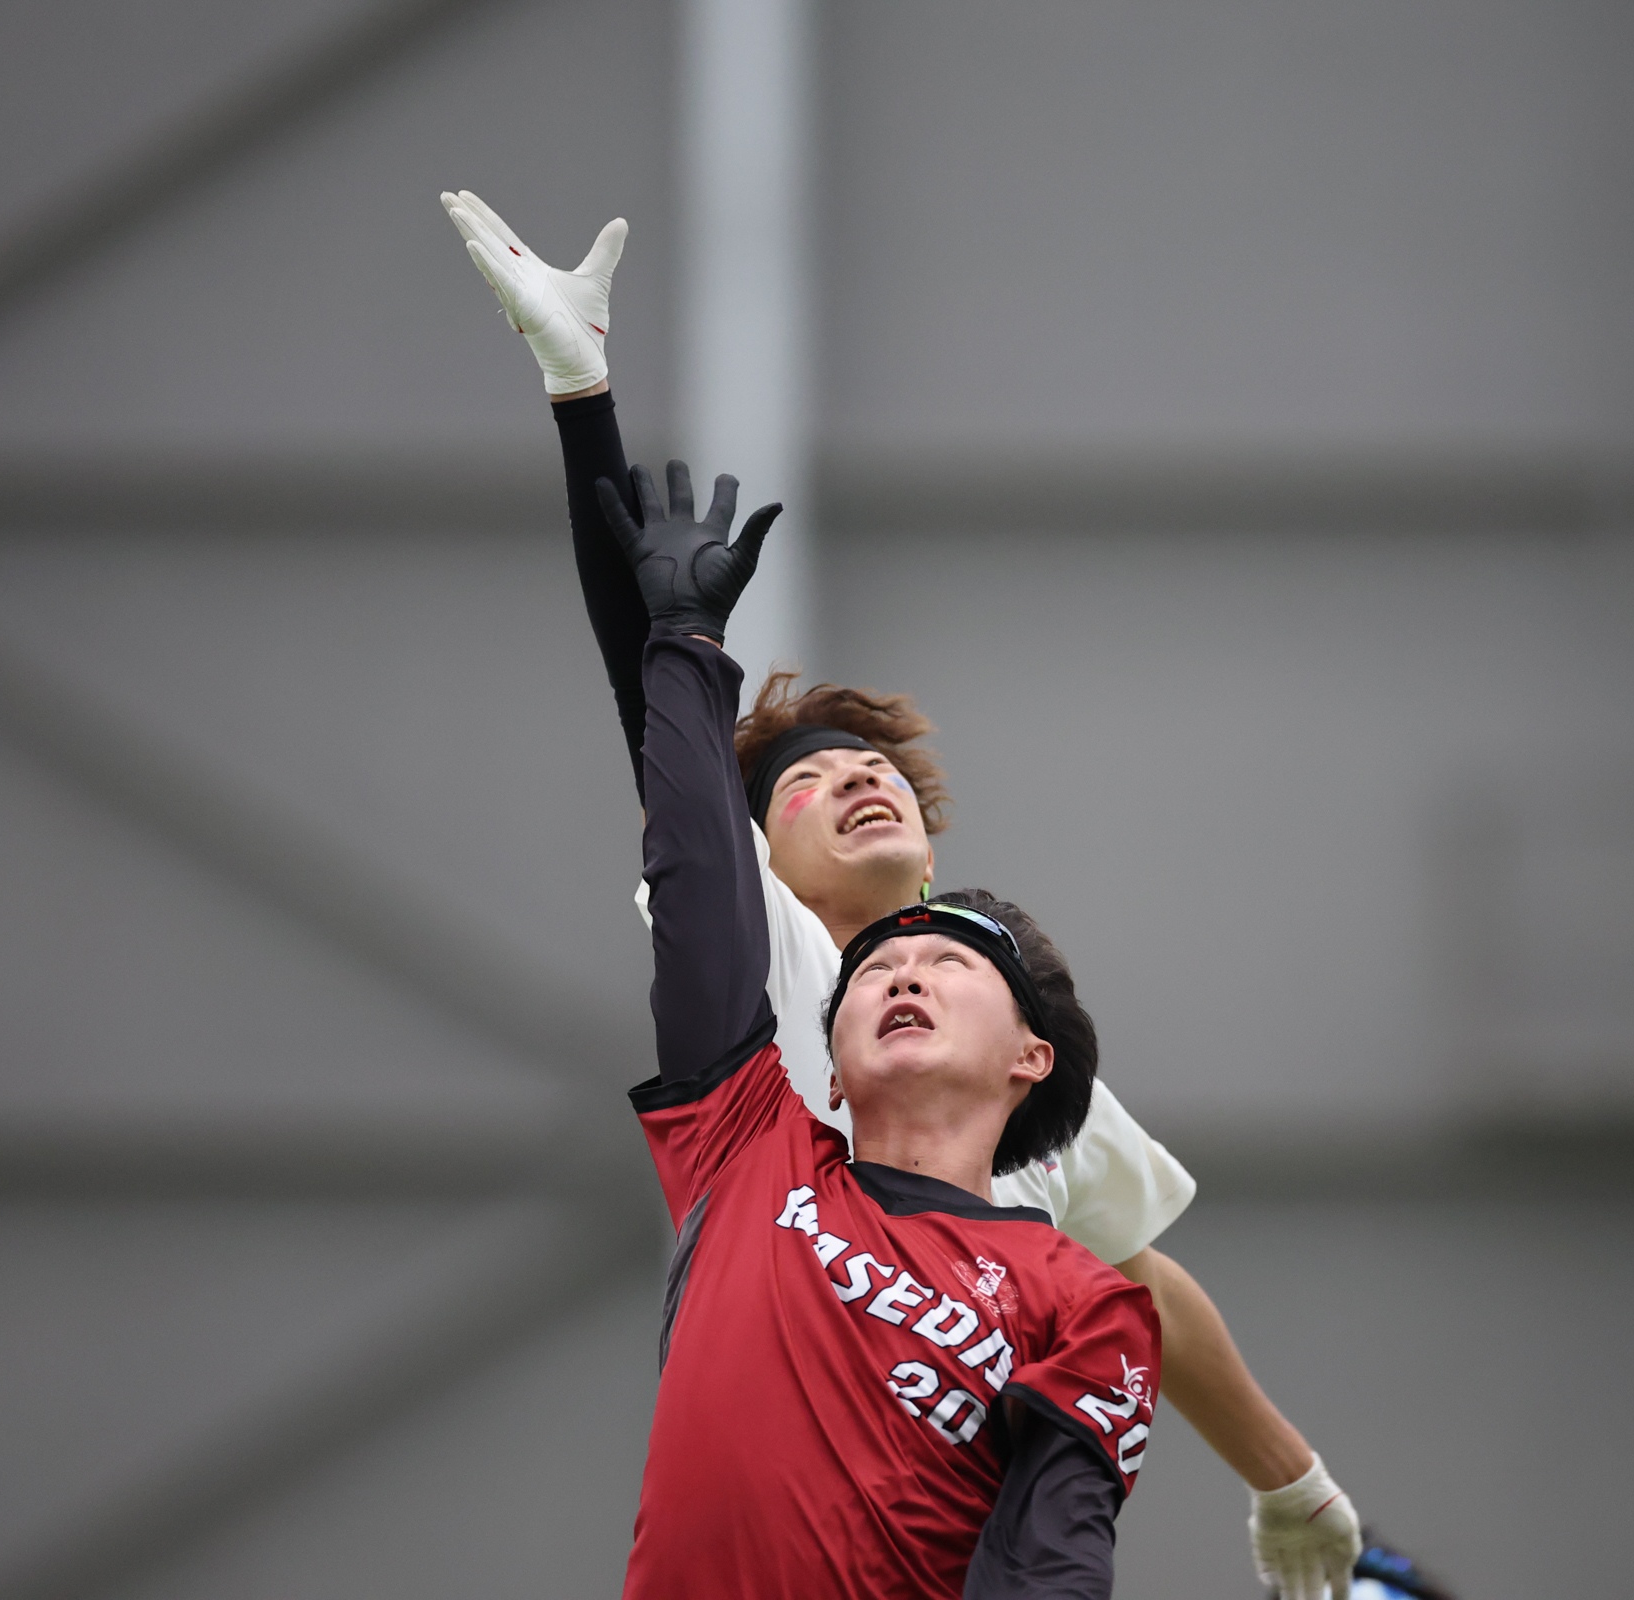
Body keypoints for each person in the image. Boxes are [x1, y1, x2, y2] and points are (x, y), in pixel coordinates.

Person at [442, 190, 1365, 1600]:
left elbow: (1137, 1289)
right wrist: (584, 400)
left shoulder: (1021, 1069)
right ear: (758, 860)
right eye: (807, 784)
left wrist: (1293, 1481)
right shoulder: (772, 1018)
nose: (858, 779)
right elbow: (661, 720)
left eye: (878, 770)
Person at [609, 453, 1159, 1596]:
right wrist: (683, 640)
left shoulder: (1084, 1301)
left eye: (947, 962)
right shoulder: (750, 1145)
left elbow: (1053, 1562)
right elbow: (696, 861)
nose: (901, 973)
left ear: (1031, 1055)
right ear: (833, 1057)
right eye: (876, 970)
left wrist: (1295, 1480)